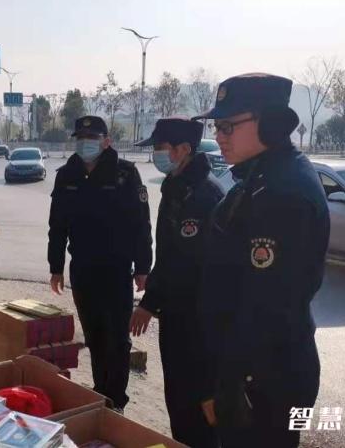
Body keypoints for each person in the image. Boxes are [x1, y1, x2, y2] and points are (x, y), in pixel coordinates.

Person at [195, 73, 330, 447]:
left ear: (271, 125)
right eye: (216, 126)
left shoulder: (282, 193)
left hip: (264, 380)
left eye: (228, 126)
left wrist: (229, 382)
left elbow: (266, 306)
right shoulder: (262, 176)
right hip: (255, 372)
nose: (219, 135)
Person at [47, 115, 152, 412]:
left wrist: (143, 267)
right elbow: (57, 225)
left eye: (92, 138)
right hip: (83, 270)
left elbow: (141, 224)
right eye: (80, 138)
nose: (85, 143)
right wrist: (56, 266)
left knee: (116, 339)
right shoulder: (67, 174)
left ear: (106, 141)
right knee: (94, 336)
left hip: (116, 270)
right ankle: (100, 392)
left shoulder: (125, 174)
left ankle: (116, 400)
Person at [129, 117, 223, 447]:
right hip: (177, 315)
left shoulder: (205, 195)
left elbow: (184, 262)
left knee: (199, 405)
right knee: (179, 399)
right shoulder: (176, 185)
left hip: (198, 321)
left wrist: (149, 303)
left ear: (184, 149)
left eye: (160, 147)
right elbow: (168, 253)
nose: (156, 154)